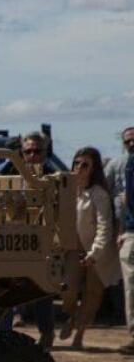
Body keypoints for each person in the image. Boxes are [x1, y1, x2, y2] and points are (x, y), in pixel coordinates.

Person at [0, 131, 57, 348]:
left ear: (45, 152)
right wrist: (12, 160)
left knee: (42, 289)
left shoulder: (52, 175)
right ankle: (3, 334)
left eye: (37, 151)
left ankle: (47, 332)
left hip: (42, 239)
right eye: (27, 151)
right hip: (12, 238)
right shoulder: (10, 171)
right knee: (5, 288)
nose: (32, 156)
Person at [59, 147, 121, 349]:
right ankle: (73, 317)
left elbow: (105, 226)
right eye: (76, 163)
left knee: (92, 295)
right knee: (67, 290)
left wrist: (95, 253)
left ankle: (80, 334)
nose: (79, 168)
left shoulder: (99, 194)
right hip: (72, 249)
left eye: (85, 164)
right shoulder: (67, 191)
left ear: (93, 168)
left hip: (96, 251)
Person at [105, 127, 134, 354]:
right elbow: (111, 200)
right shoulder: (118, 166)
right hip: (129, 230)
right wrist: (118, 232)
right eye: (128, 141)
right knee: (130, 286)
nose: (131, 144)